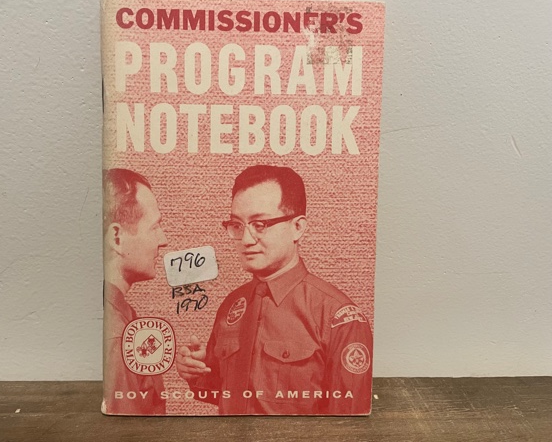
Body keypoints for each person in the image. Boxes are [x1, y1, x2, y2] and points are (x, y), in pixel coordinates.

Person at [176, 165, 373, 415]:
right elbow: (224, 394)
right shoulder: (232, 305)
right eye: (237, 225)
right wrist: (197, 371)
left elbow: (349, 424)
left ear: (297, 227)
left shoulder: (338, 318)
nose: (246, 240)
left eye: (260, 224)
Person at [101, 168, 169, 415]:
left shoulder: (118, 317)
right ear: (117, 238)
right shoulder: (118, 336)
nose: (163, 240)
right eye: (155, 227)